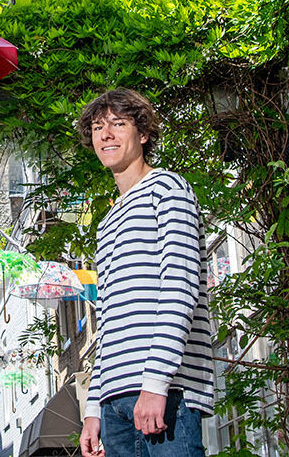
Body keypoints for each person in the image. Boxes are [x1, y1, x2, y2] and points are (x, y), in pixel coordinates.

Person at [76, 89, 215, 457]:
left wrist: (156, 383)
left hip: (166, 393)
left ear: (143, 133)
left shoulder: (167, 189)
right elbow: (107, 320)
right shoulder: (106, 223)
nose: (105, 135)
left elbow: (180, 288)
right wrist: (93, 409)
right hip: (114, 404)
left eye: (118, 124)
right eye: (97, 127)